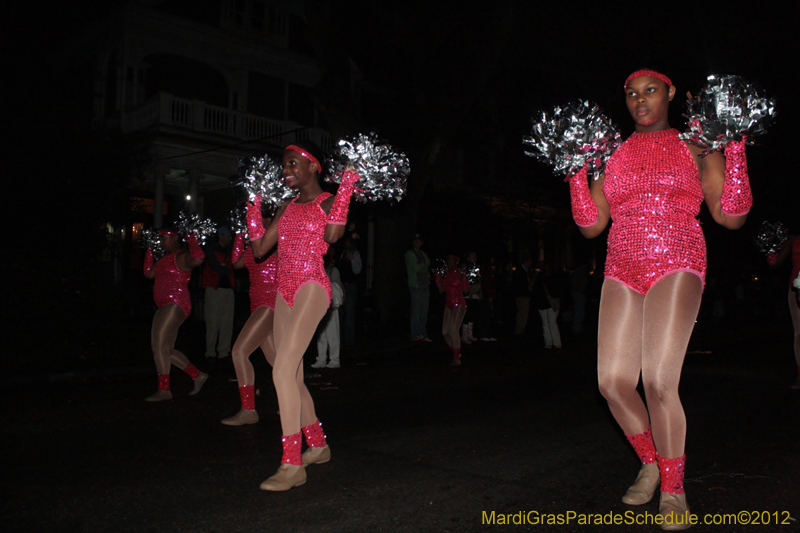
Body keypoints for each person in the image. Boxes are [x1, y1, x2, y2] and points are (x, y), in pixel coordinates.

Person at [566, 70, 751, 529]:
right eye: (631, 93)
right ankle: (651, 462)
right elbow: (591, 225)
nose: (640, 100)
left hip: (678, 259)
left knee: (660, 384)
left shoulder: (694, 145)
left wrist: (735, 148)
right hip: (621, 266)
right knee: (612, 382)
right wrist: (575, 170)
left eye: (650, 91)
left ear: (669, 93)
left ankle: (674, 489)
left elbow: (730, 217)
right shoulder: (613, 152)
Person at [248, 140, 356, 491]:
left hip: (312, 285)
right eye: (284, 166)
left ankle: (292, 464)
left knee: (281, 370)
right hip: (284, 290)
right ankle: (319, 445)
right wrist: (253, 208)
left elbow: (333, 235)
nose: (286, 171)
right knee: (290, 375)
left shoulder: (327, 201)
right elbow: (262, 249)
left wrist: (346, 189)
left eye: (292, 164)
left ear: (313, 166)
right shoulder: (286, 206)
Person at [219, 214, 279, 426]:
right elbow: (235, 263)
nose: (258, 222)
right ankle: (298, 401)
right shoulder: (256, 247)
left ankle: (248, 410)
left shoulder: (277, 244)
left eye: (264, 219)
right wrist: (241, 234)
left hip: (270, 303)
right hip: (257, 305)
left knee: (239, 351)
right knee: (279, 362)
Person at [142, 227, 209, 402]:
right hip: (167, 305)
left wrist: (191, 238)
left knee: (157, 346)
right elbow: (149, 274)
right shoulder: (164, 258)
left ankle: (164, 390)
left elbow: (199, 258)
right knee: (166, 350)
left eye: (164, 238)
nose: (161, 241)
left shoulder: (181, 255)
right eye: (160, 238)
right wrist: (150, 250)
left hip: (174, 304)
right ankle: (197, 375)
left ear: (175, 238)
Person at [767, 234, 800, 389]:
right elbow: (776, 262)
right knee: (799, 334)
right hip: (796, 287)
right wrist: (771, 251)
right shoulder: (794, 239)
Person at [202, 226, 235, 362]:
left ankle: (223, 351)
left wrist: (225, 265)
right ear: (221, 236)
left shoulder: (229, 250)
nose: (230, 238)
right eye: (227, 236)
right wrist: (226, 267)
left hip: (228, 289)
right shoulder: (211, 249)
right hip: (214, 289)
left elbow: (229, 266)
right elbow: (216, 267)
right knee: (213, 321)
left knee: (227, 322)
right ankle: (210, 351)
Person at [436, 254, 469, 365]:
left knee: (453, 330)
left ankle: (456, 358)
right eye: (448, 261)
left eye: (451, 261)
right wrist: (437, 279)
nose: (449, 263)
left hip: (459, 303)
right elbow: (441, 291)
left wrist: (465, 280)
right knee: (445, 332)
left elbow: (465, 291)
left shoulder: (460, 274)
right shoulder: (446, 274)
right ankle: (456, 351)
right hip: (448, 304)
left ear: (456, 262)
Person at [313, 248, 343, 369]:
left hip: (330, 306)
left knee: (332, 334)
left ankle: (334, 358)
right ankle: (321, 358)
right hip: (320, 306)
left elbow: (336, 286)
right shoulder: (318, 271)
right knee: (321, 334)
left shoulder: (332, 270)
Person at [405, 233, 432, 341]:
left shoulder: (424, 255)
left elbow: (427, 264)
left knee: (424, 311)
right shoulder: (408, 254)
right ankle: (414, 333)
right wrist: (424, 266)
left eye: (419, 241)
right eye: (416, 241)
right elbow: (416, 268)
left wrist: (424, 267)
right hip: (416, 285)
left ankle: (422, 333)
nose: (417, 242)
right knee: (416, 310)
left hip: (425, 284)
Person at [338, 233, 362, 346]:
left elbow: (357, 270)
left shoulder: (355, 253)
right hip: (341, 286)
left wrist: (352, 259)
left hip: (351, 286)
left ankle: (349, 341)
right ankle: (341, 340)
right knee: (340, 314)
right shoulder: (342, 254)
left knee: (349, 314)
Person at [531, 265, 562, 350]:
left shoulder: (539, 279)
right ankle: (556, 343)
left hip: (542, 303)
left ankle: (548, 343)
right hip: (550, 303)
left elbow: (535, 291)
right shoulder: (554, 279)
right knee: (552, 323)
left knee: (546, 324)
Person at [512, 257, 533, 335]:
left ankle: (519, 330)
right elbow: (519, 284)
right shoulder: (521, 271)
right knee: (523, 314)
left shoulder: (523, 271)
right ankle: (519, 330)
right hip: (522, 295)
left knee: (521, 313)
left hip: (521, 294)